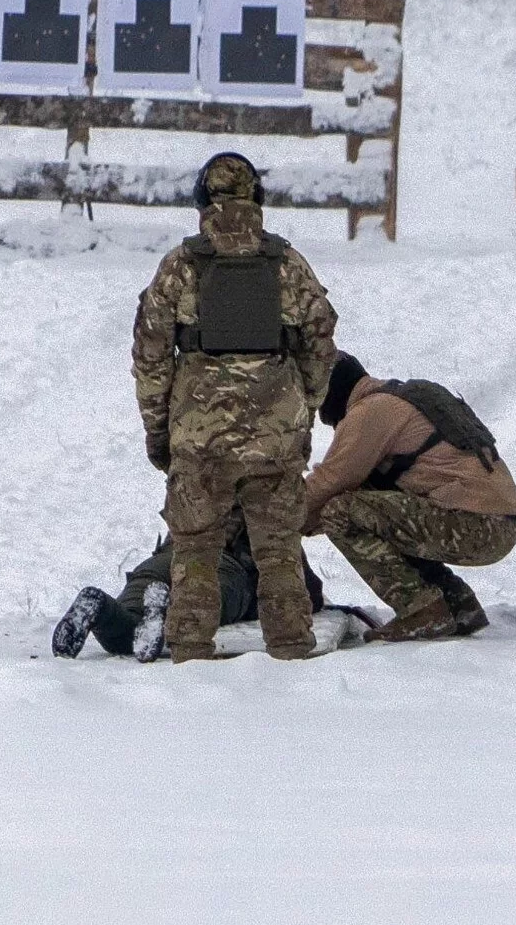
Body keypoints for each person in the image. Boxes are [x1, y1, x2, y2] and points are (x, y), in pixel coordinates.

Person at [131, 152, 338, 662]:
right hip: (276, 438)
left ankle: (191, 656)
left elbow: (151, 357)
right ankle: (292, 650)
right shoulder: (288, 264)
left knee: (196, 552)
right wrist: (302, 408)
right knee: (279, 550)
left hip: (200, 438)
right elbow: (320, 338)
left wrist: (160, 434)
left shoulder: (180, 267)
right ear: (257, 200)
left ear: (202, 200)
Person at [303, 353, 516, 641]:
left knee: (340, 512)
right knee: (376, 505)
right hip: (495, 524)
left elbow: (330, 482)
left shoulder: (370, 411)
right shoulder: (399, 398)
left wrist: (269, 521)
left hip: (478, 526)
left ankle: (421, 610)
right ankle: (456, 603)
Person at [50, 515, 329, 662]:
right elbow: (306, 591)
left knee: (130, 613)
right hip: (224, 566)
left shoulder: (194, 474)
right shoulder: (266, 498)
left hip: (168, 555)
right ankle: (165, 611)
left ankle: (101, 606)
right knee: (198, 607)